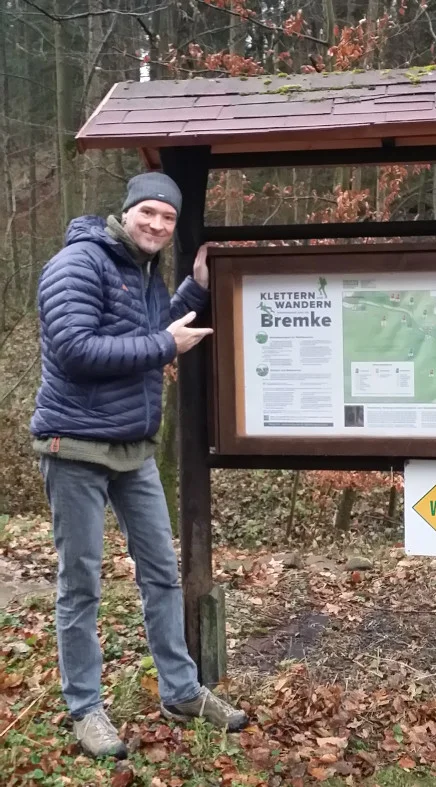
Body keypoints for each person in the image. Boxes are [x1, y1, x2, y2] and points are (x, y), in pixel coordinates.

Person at [30, 172, 248, 760]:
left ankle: (180, 690)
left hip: (132, 449)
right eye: (148, 212)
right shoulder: (78, 264)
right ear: (125, 212)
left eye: (168, 218)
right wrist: (163, 348)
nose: (156, 224)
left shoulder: (143, 271)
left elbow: (148, 332)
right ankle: (86, 708)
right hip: (73, 447)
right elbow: (77, 349)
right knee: (81, 584)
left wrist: (195, 289)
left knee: (160, 572)